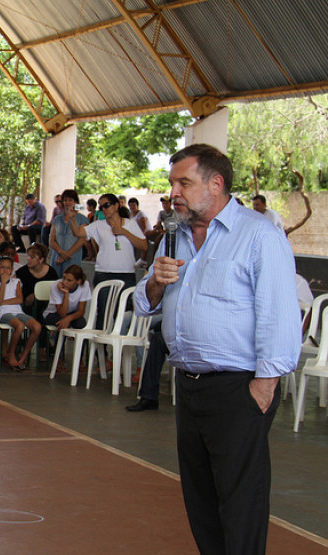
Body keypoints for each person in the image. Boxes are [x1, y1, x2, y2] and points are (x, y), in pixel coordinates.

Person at [134, 143, 300, 554]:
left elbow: (279, 314)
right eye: (172, 183)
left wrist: (263, 387)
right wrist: (157, 279)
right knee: (201, 498)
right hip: (189, 385)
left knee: (240, 499)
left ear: (216, 183)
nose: (174, 192)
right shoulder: (176, 236)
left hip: (239, 387)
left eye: (184, 183)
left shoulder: (258, 234)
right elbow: (144, 300)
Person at [0, 256, 41, 371]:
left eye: (8, 268)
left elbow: (19, 300)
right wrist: (2, 283)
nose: (5, 271)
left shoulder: (16, 282)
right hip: (2, 313)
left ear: (12, 270)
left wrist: (0, 302)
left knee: (37, 327)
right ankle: (11, 354)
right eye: (2, 267)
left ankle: (24, 355)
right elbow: (0, 299)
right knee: (19, 326)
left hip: (17, 311)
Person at [49, 189, 89, 275]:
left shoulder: (82, 219)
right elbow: (52, 240)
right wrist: (61, 252)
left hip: (72, 257)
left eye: (70, 200)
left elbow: (82, 240)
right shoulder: (57, 219)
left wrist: (66, 255)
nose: (67, 203)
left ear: (75, 202)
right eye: (65, 200)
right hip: (57, 257)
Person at [43, 264, 91, 333]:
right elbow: (62, 313)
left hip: (71, 313)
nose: (64, 282)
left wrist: (68, 318)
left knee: (81, 324)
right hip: (53, 313)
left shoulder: (85, 285)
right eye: (64, 278)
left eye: (69, 280)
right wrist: (66, 293)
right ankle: (59, 343)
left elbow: (81, 311)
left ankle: (81, 343)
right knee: (64, 324)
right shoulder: (55, 286)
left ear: (78, 281)